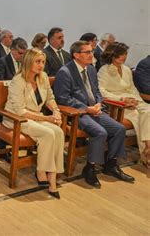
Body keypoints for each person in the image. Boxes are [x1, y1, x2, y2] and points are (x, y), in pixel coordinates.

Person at [54, 40, 134, 188]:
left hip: (95, 110)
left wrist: (97, 103)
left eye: (91, 51)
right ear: (76, 55)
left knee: (119, 129)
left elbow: (96, 91)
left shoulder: (90, 69)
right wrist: (86, 108)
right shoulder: (65, 72)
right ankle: (89, 168)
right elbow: (63, 98)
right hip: (78, 113)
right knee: (100, 132)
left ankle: (111, 165)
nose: (92, 54)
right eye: (88, 52)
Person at [4, 48, 64, 198]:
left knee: (59, 131)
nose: (41, 65)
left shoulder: (42, 76)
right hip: (17, 119)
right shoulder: (18, 81)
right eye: (37, 62)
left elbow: (50, 98)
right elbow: (20, 111)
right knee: (48, 133)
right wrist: (47, 118)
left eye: (43, 62)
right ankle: (43, 173)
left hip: (35, 116)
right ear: (28, 62)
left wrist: (56, 111)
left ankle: (51, 174)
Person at [97, 43, 150, 166]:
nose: (124, 57)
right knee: (139, 117)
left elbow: (132, 88)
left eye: (125, 54)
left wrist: (136, 100)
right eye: (121, 54)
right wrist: (122, 99)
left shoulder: (126, 69)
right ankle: (146, 152)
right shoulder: (104, 70)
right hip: (116, 105)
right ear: (113, 55)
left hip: (131, 100)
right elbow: (102, 92)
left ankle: (147, 148)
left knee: (148, 111)